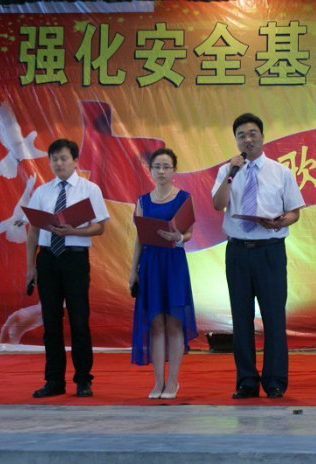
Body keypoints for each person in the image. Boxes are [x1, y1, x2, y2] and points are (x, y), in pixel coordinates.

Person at [211, 113, 305, 399]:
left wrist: (280, 222)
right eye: (241, 135)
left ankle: (274, 381)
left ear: (263, 137)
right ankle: (246, 381)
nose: (247, 140)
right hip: (238, 251)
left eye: (252, 134)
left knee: (274, 317)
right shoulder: (227, 170)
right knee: (241, 318)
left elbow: (294, 212)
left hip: (270, 251)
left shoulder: (281, 172)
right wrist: (231, 173)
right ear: (236, 140)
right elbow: (217, 204)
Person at [25, 139, 110, 398]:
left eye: (63, 158)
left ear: (75, 161)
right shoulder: (42, 192)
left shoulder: (89, 189)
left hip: (74, 259)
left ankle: (83, 379)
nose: (59, 163)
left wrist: (74, 231)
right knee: (51, 322)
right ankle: (54, 381)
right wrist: (30, 266)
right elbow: (33, 230)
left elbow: (100, 227)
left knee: (79, 320)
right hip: (47, 259)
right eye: (54, 159)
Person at [128, 148, 197, 399]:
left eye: (166, 167)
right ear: (150, 171)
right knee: (156, 322)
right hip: (150, 264)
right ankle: (158, 382)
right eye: (157, 167)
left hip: (173, 262)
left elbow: (188, 234)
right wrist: (133, 270)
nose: (161, 171)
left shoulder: (184, 198)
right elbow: (139, 238)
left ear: (174, 170)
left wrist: (178, 237)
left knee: (174, 321)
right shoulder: (143, 201)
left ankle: (173, 381)